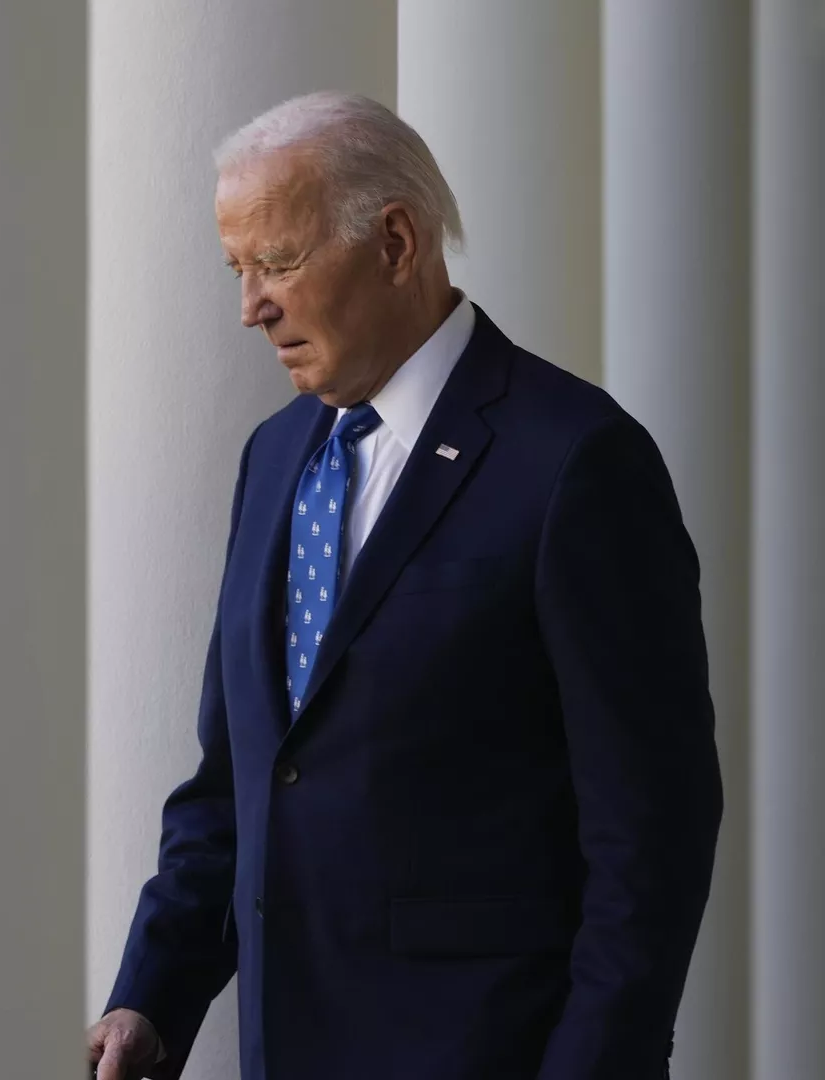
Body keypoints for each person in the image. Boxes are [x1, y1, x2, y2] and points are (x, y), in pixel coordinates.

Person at [86, 92, 722, 1080]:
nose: (251, 305)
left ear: (394, 243)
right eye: (239, 269)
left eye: (280, 263)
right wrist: (150, 997)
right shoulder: (275, 457)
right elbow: (239, 780)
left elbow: (651, 834)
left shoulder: (577, 463)